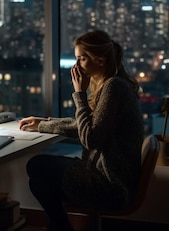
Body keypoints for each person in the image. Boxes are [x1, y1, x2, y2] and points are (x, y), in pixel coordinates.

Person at [19, 30, 144, 231]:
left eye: (81, 59)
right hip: (108, 178)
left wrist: (79, 94)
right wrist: (42, 123)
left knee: (37, 167)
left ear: (100, 60)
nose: (76, 66)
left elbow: (91, 138)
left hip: (109, 186)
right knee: (39, 180)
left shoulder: (113, 88)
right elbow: (87, 125)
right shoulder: (113, 84)